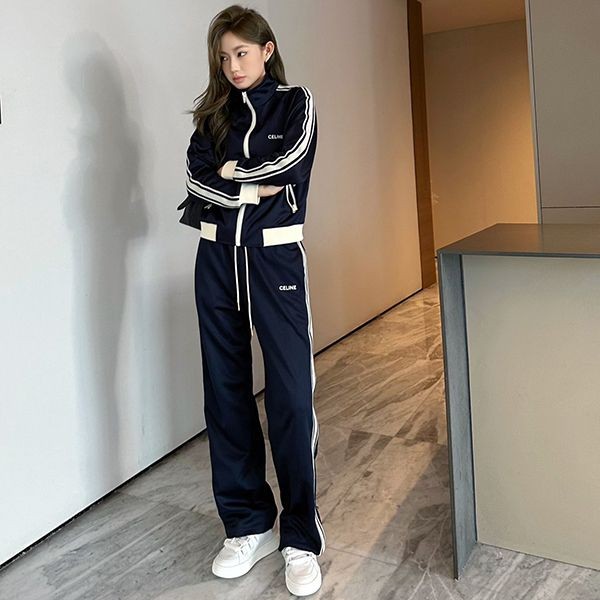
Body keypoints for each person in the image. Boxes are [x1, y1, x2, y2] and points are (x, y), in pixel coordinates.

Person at [177, 4, 324, 597]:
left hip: (275, 258)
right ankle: (247, 524)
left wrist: (231, 175)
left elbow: (291, 164)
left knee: (289, 392)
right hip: (215, 258)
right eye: (224, 57)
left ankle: (300, 536)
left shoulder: (295, 103)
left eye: (241, 52)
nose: (233, 65)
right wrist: (247, 186)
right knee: (224, 390)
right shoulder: (211, 116)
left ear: (266, 49)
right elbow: (196, 180)